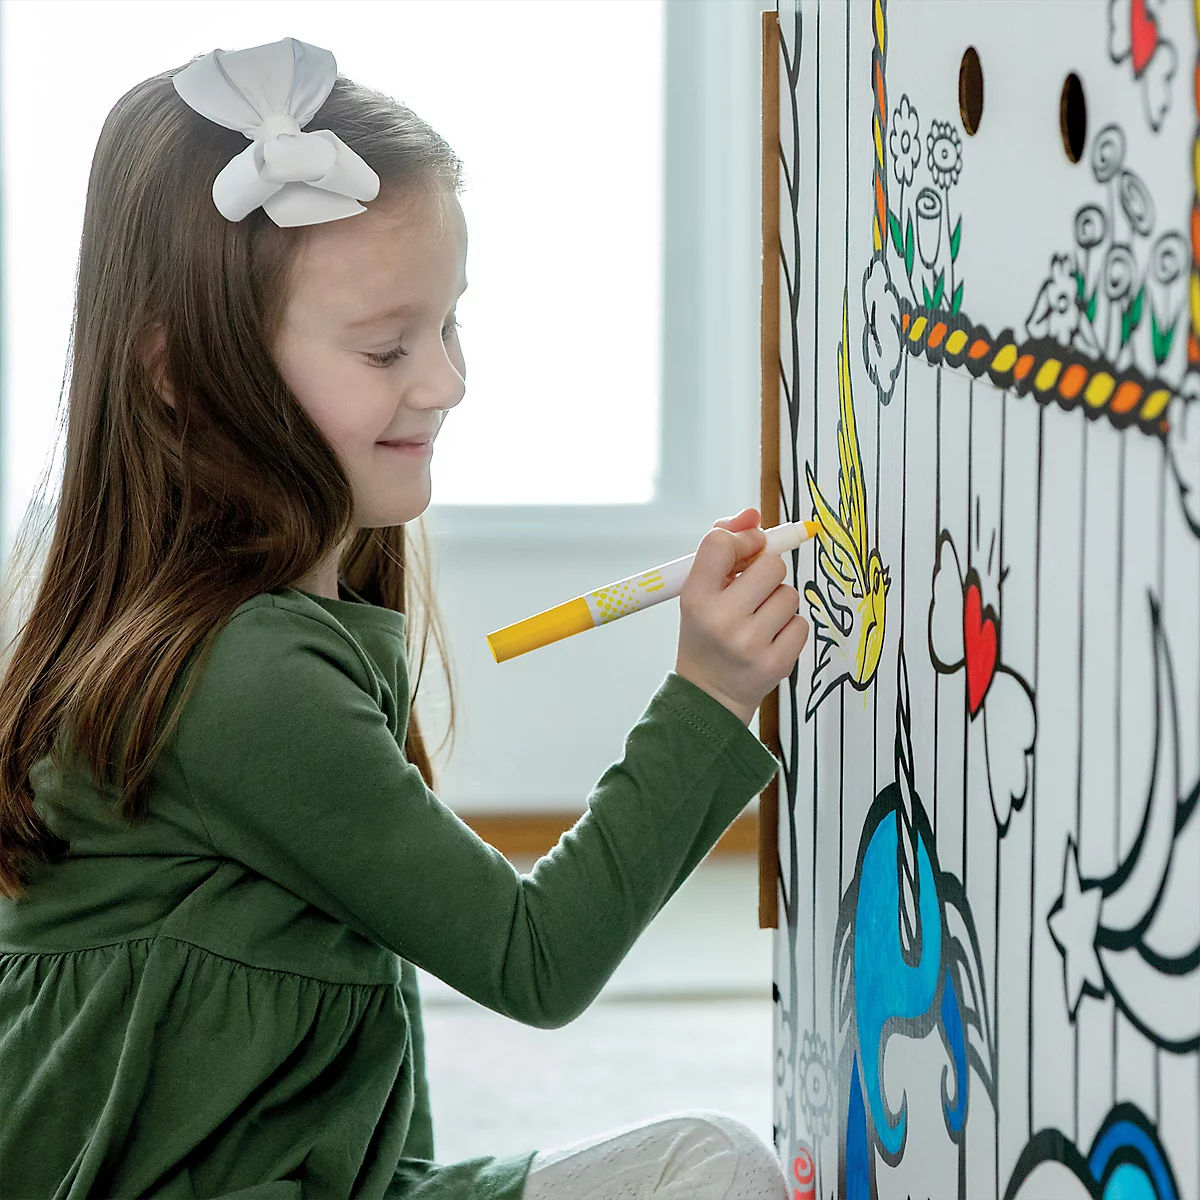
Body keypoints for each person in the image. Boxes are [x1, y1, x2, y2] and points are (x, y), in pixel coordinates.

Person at [0, 37, 809, 1200]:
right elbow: (538, 959)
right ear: (180, 375)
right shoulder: (245, 680)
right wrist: (714, 694)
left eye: (447, 327)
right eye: (386, 348)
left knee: (713, 1165)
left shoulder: (285, 620)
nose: (444, 382)